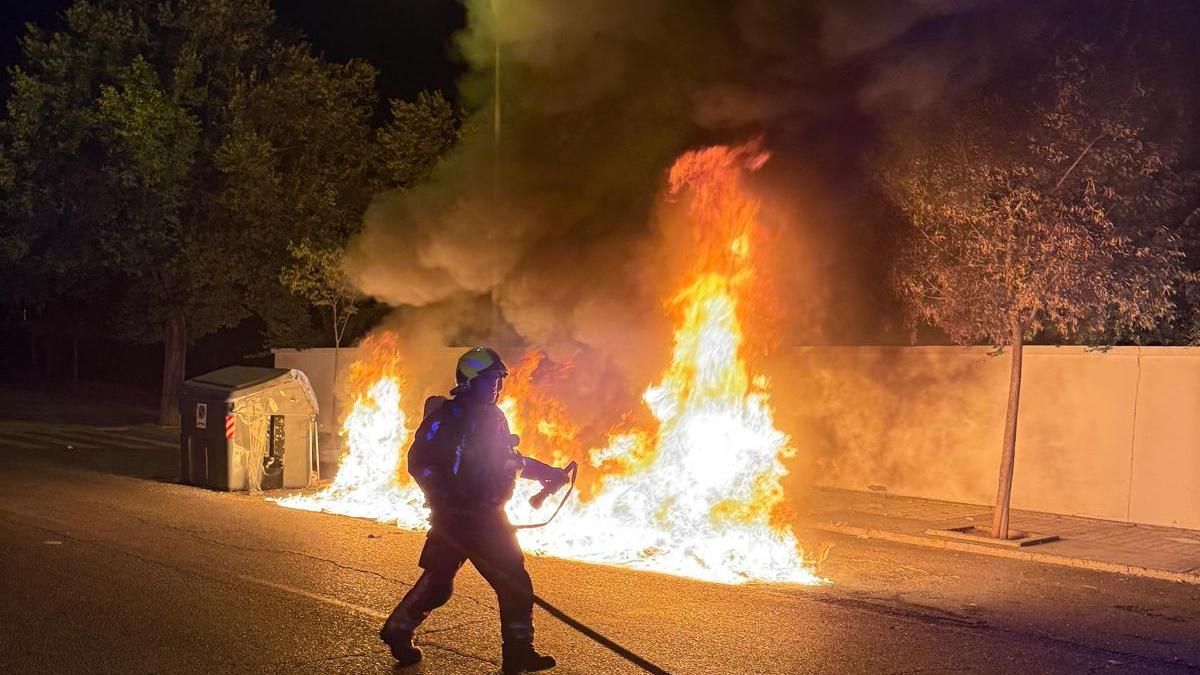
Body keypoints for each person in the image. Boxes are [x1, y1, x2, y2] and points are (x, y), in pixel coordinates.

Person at [380, 346, 570, 674]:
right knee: (440, 585)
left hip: (489, 518)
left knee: (514, 582)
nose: (497, 386)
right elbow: (419, 462)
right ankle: (398, 628)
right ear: (469, 381)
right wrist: (444, 499)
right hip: (455, 520)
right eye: (490, 379)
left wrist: (547, 473)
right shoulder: (445, 419)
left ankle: (518, 653)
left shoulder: (494, 418)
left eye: (499, 379)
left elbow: (510, 462)